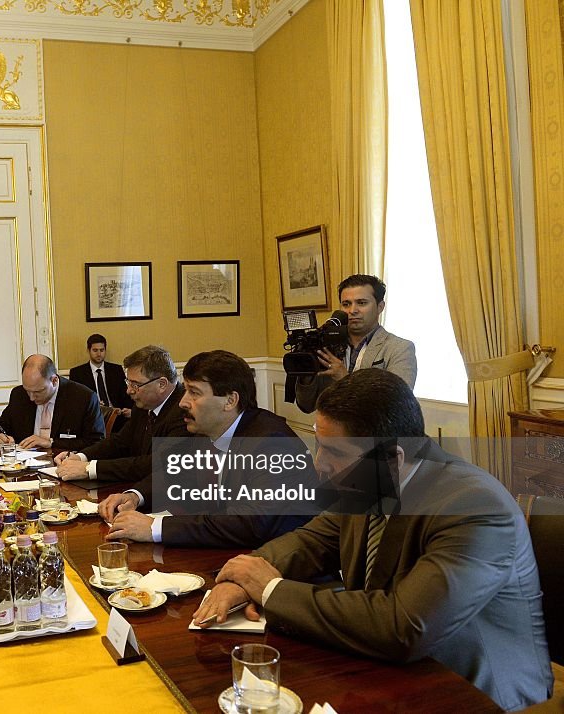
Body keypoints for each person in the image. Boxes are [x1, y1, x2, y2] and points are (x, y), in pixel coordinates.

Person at [195, 369, 552, 712]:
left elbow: (404, 627)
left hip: (472, 691)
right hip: (390, 672)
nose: (319, 465)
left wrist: (269, 589)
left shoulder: (473, 506)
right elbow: (309, 541)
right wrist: (242, 580)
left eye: (334, 453)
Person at [99, 350, 314, 548]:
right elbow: (178, 472)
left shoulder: (271, 443)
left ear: (230, 401)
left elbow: (249, 523)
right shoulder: (205, 431)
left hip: (282, 564)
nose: (183, 402)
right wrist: (135, 496)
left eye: (194, 393)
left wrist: (154, 528)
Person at [55, 345, 186, 483]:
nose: (129, 391)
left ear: (162, 384)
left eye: (135, 384)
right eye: (128, 382)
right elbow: (120, 441)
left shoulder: (184, 411)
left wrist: (89, 468)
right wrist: (81, 457)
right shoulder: (144, 404)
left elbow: (155, 463)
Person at [295, 274, 416, 414]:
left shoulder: (400, 348)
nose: (353, 310)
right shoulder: (328, 347)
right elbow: (307, 405)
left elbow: (396, 405)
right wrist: (306, 373)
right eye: (346, 304)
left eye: (362, 303)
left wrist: (345, 379)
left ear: (380, 307)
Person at [0, 355, 104, 452]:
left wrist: (51, 442)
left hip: (64, 466)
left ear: (54, 380)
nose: (31, 398)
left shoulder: (83, 398)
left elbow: (95, 442)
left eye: (38, 391)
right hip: (25, 468)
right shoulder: (19, 394)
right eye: (28, 391)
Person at [67, 334, 133, 430]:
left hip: (117, 416)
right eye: (95, 350)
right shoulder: (77, 373)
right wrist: (95, 404)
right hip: (92, 417)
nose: (99, 354)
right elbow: (75, 401)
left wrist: (130, 410)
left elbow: (125, 395)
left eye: (102, 350)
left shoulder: (116, 370)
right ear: (88, 350)